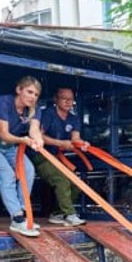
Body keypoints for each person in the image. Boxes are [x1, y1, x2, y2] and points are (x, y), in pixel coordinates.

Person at [0, 76, 45, 237]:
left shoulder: (35, 108)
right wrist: (23, 140)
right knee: (7, 176)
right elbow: (4, 134)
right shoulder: (3, 102)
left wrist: (38, 141)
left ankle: (23, 214)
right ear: (19, 90)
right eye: (29, 92)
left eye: (36, 94)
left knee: (28, 170)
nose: (33, 97)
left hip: (10, 145)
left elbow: (34, 130)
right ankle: (17, 219)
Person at [34, 85, 86, 226]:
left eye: (71, 100)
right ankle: (70, 214)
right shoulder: (47, 114)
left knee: (76, 182)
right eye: (64, 99)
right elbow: (39, 135)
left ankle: (57, 214)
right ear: (55, 99)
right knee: (61, 180)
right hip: (41, 156)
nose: (68, 102)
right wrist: (60, 143)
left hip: (57, 157)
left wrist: (83, 144)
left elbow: (75, 138)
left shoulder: (74, 119)